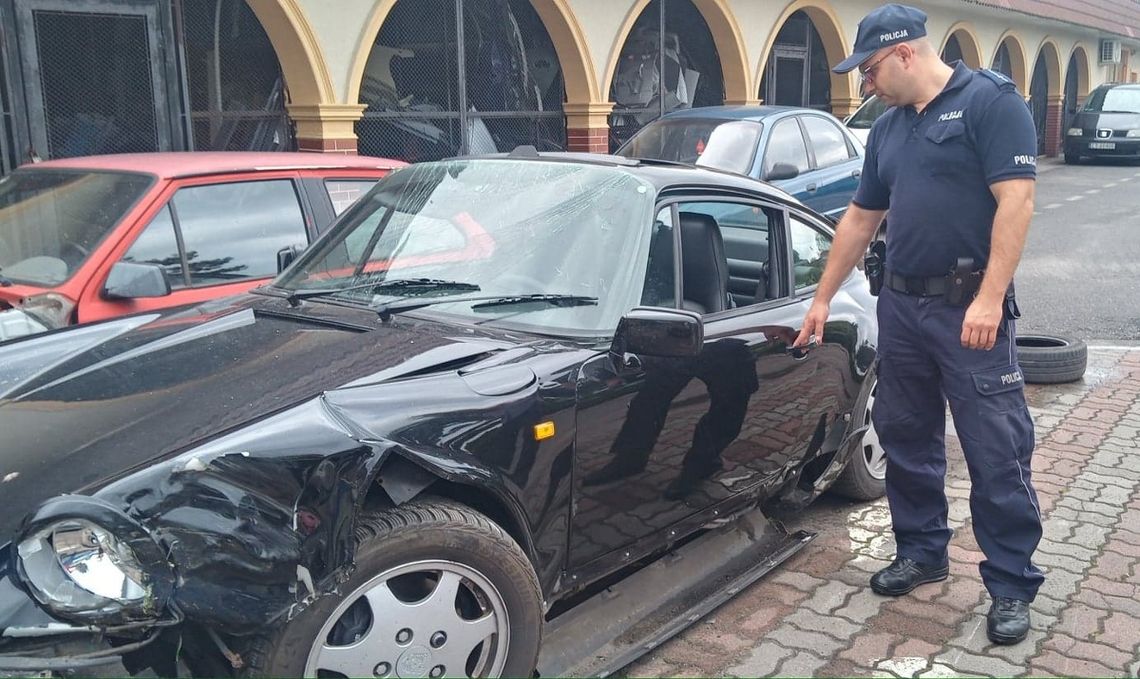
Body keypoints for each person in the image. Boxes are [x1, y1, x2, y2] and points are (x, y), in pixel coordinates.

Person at [794, 3, 1042, 645]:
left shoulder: (991, 104)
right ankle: (922, 551)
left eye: (870, 70)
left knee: (995, 446)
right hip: (900, 307)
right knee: (905, 435)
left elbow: (1016, 201)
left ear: (906, 52)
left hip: (969, 310)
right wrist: (822, 298)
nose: (865, 86)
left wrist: (989, 298)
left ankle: (1011, 583)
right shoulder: (888, 128)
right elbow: (859, 217)